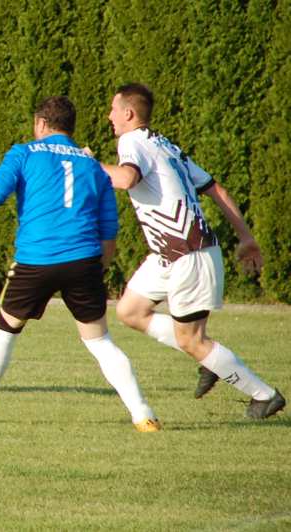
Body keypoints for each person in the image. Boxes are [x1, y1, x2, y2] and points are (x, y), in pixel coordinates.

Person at [0, 96, 161, 432]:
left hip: (36, 260)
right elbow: (109, 228)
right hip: (84, 260)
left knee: (3, 333)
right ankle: (143, 415)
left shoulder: (23, 154)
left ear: (41, 124)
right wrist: (99, 267)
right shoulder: (92, 166)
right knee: (100, 342)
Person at [95, 83, 284, 419]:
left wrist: (88, 165)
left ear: (128, 113)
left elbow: (125, 179)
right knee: (130, 311)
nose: (109, 116)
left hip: (187, 253)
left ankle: (264, 394)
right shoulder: (164, 145)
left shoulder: (132, 141)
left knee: (193, 340)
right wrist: (246, 237)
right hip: (170, 254)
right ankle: (207, 358)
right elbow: (216, 189)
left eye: (112, 109)